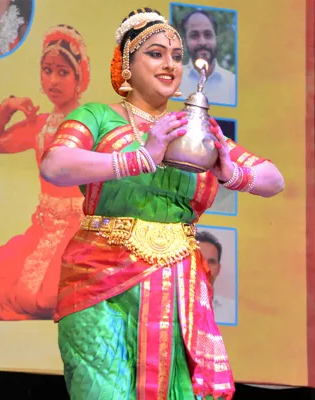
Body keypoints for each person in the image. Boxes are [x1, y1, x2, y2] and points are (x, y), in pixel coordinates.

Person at [39, 8, 284, 399]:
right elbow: (55, 164)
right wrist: (141, 156)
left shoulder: (196, 131)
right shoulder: (98, 116)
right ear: (126, 66)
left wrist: (232, 173)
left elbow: (274, 179)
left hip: (176, 284)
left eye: (176, 56)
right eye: (155, 53)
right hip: (99, 281)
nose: (170, 64)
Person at [0, 25, 90, 320]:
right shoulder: (40, 125)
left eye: (63, 72)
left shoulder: (92, 121)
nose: (53, 79)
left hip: (82, 229)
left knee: (47, 296)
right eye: (47, 70)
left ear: (80, 78)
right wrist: (7, 107)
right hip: (44, 227)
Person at [176, 9, 236, 105]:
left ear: (216, 39)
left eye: (208, 35)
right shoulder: (174, 79)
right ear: (184, 42)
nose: (202, 42)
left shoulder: (232, 83)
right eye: (194, 36)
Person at [196, 230, 235, 323]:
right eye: (199, 260)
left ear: (218, 269)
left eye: (211, 262)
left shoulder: (231, 310)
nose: (206, 268)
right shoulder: (170, 308)